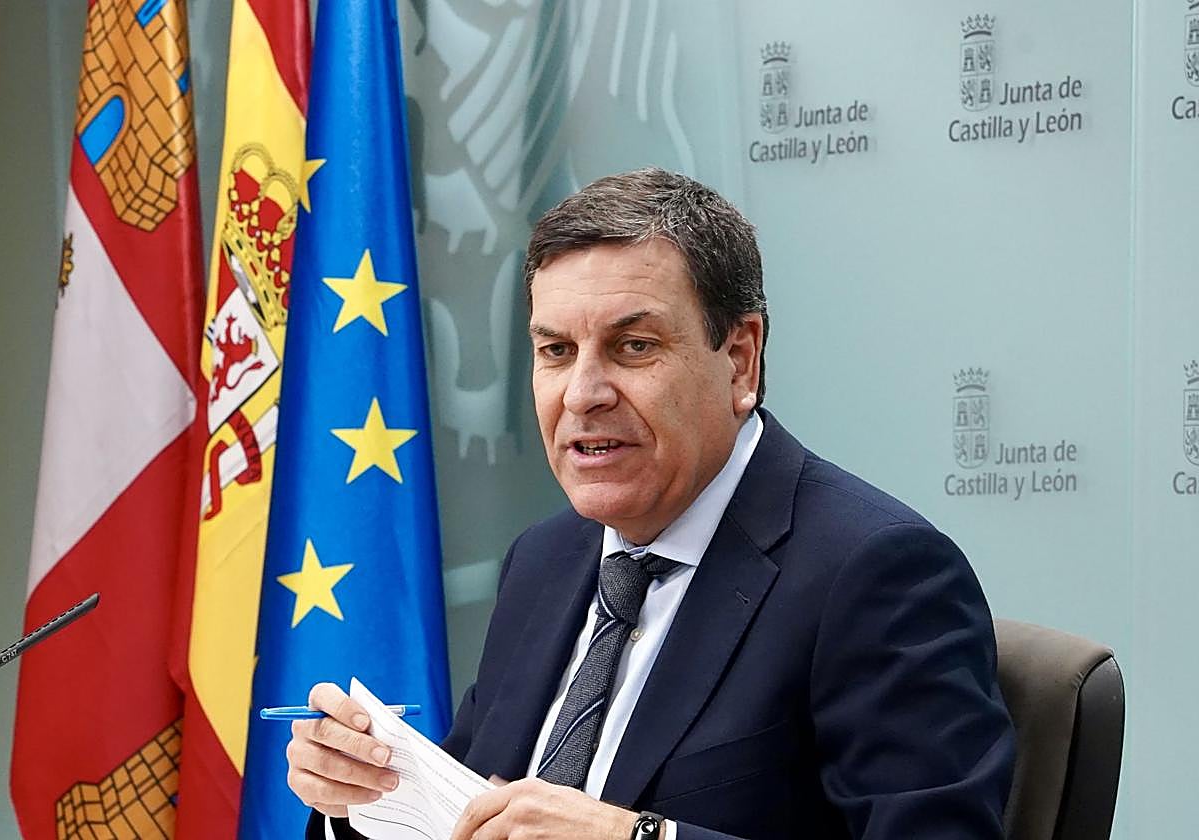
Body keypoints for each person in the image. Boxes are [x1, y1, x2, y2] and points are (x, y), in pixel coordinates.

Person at [287, 168, 1016, 840]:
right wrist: (361, 801)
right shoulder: (544, 559)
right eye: (555, 351)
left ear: (740, 360)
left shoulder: (877, 573)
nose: (583, 394)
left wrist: (638, 838)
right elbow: (471, 811)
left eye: (633, 347)